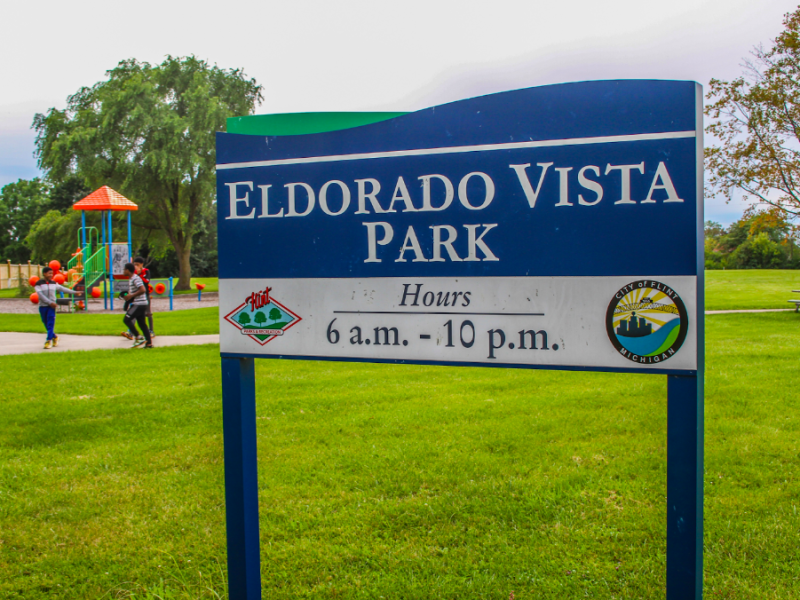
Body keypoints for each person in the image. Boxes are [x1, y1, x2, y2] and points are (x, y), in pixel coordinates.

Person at [34, 266, 79, 349]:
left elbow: (63, 289)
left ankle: (48, 341)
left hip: (52, 307)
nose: (51, 275)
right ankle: (55, 337)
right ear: (44, 273)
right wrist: (50, 302)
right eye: (49, 273)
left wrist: (74, 292)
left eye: (52, 273)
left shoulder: (53, 283)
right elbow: (41, 295)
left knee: (50, 323)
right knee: (46, 323)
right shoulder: (38, 284)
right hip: (43, 306)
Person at [120, 257, 155, 341]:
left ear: (141, 264)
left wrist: (139, 274)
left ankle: (150, 331)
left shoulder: (145, 271)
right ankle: (137, 336)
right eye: (134, 264)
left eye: (137, 265)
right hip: (137, 299)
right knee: (138, 319)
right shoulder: (133, 275)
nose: (135, 266)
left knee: (148, 313)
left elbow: (145, 283)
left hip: (144, 296)